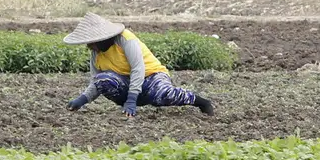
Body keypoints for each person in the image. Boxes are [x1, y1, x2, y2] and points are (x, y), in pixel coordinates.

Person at [64, 13, 215, 118]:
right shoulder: (96, 54)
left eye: (91, 42)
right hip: (126, 84)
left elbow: (138, 68)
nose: (89, 45)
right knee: (103, 79)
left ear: (101, 38)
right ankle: (129, 108)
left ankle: (200, 102)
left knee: (163, 95)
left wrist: (132, 98)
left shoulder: (125, 40)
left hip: (151, 76)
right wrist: (82, 99)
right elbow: (96, 81)